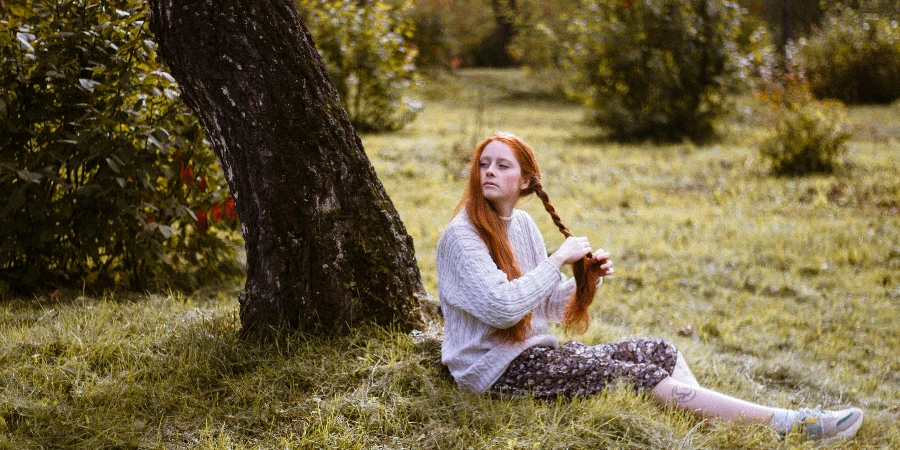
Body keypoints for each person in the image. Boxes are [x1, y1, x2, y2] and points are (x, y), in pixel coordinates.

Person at [436, 131, 863, 442]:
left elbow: (545, 305)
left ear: (526, 181)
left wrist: (586, 282)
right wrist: (556, 260)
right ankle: (785, 424)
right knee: (639, 376)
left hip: (533, 357)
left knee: (660, 351)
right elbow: (501, 308)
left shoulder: (522, 225)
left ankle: (707, 428)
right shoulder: (463, 235)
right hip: (494, 373)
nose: (488, 171)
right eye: (483, 163)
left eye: (502, 164)